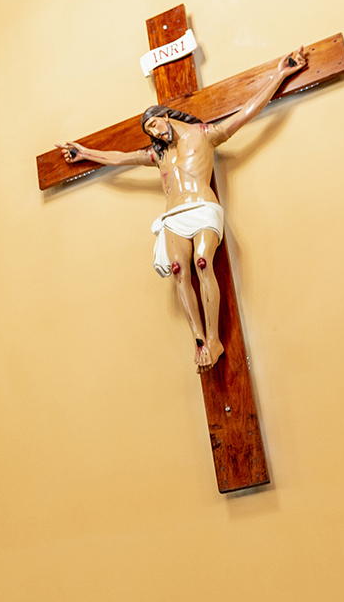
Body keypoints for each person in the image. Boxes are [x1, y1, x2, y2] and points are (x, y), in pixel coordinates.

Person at [58, 48, 308, 372]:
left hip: (203, 207)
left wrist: (281, 73)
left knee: (203, 264)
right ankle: (200, 340)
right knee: (179, 271)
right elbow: (119, 157)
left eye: (156, 125)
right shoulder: (158, 155)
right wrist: (85, 152)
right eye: (150, 132)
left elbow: (247, 111)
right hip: (173, 217)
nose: (156, 133)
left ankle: (215, 338)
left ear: (165, 116)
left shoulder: (204, 135)